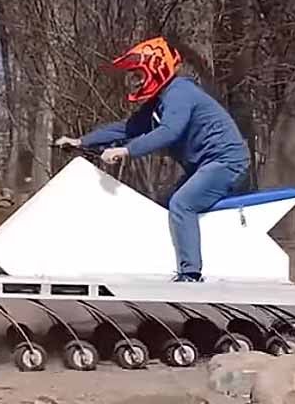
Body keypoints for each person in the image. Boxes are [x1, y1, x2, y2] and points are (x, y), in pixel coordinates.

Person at [56, 37, 249, 283]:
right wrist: (82, 141)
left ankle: (190, 274)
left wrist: (126, 151)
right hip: (205, 165)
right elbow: (127, 128)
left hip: (225, 162)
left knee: (182, 204)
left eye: (138, 74)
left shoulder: (179, 92)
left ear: (157, 69)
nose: (135, 81)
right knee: (164, 204)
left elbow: (169, 131)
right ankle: (170, 263)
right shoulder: (161, 100)